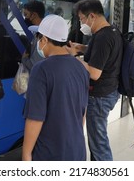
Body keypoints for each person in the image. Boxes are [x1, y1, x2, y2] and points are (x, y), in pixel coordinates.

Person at [22, 14, 89, 161]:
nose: (38, 43)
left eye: (39, 38)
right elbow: (82, 113)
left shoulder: (41, 69)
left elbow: (35, 118)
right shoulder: (81, 68)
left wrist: (26, 154)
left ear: (45, 40)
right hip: (77, 149)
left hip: (50, 153)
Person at [66, 0, 123, 161]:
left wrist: (73, 58)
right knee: (98, 141)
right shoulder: (112, 31)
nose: (81, 22)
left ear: (92, 16)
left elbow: (94, 73)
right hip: (109, 91)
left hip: (99, 97)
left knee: (98, 144)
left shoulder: (103, 37)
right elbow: (103, 55)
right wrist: (82, 48)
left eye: (81, 19)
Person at [21, 0, 45, 71]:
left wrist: (24, 59)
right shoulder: (36, 32)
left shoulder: (41, 35)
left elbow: (34, 64)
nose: (25, 18)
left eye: (26, 14)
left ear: (34, 15)